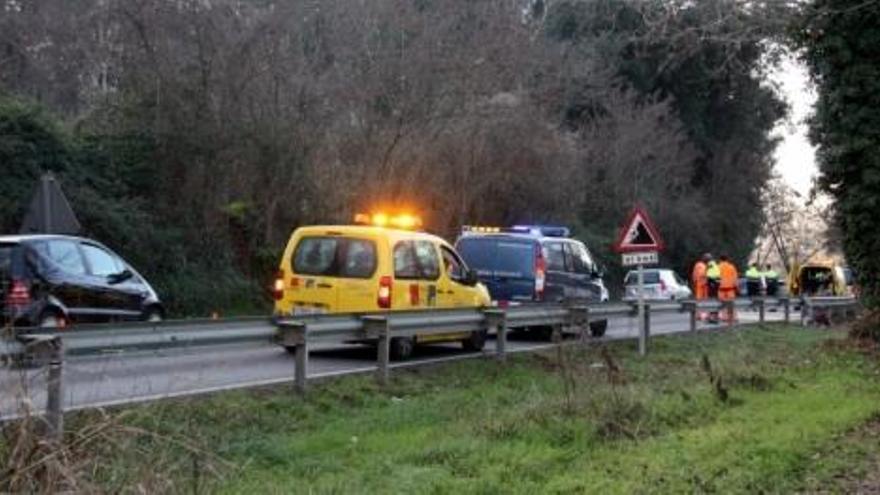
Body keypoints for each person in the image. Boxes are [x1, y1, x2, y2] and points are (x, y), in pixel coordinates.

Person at [718, 255, 739, 323]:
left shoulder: (718, 267)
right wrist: (736, 287)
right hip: (730, 288)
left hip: (721, 288)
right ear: (727, 260)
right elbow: (735, 278)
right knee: (732, 303)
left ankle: (724, 317)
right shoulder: (731, 267)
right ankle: (734, 317)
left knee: (723, 304)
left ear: (720, 260)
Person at [692, 253, 711, 320]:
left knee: (703, 301)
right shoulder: (700, 265)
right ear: (704, 258)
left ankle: (701, 315)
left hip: (703, 285)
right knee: (700, 301)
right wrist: (708, 270)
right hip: (700, 285)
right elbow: (701, 274)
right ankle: (699, 315)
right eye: (708, 259)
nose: (709, 260)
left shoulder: (701, 265)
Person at [706, 259, 721, 323]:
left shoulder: (710, 269)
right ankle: (715, 317)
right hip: (716, 288)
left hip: (712, 288)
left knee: (711, 302)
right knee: (716, 302)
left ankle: (712, 318)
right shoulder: (717, 268)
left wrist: (710, 283)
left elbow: (709, 278)